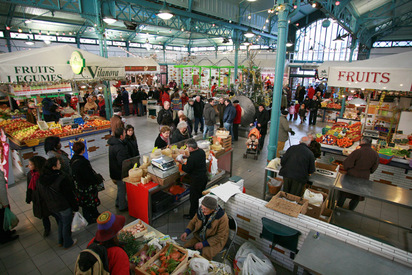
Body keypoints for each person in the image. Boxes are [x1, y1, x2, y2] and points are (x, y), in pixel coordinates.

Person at [37, 157, 78, 248]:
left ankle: (60, 241)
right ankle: (67, 242)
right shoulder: (61, 179)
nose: (60, 165)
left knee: (60, 222)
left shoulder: (41, 179)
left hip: (51, 206)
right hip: (62, 205)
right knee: (66, 224)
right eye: (58, 164)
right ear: (54, 167)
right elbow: (69, 195)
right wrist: (75, 206)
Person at [180, 196, 229, 260]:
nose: (202, 211)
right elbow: (193, 222)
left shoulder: (222, 218)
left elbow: (220, 236)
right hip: (201, 236)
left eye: (205, 209)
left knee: (203, 255)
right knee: (186, 248)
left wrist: (203, 244)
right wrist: (187, 232)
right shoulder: (201, 211)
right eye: (202, 208)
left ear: (212, 209)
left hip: (215, 241)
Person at [337, 137, 379, 210]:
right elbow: (374, 167)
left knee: (345, 192)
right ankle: (351, 208)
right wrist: (367, 172)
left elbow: (347, 163)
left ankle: (338, 206)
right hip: (364, 176)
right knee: (358, 194)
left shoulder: (358, 152)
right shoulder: (375, 154)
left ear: (362, 142)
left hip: (352, 175)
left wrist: (348, 169)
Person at [26, 156, 57, 237]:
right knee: (44, 215)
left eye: (30, 164)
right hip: (38, 198)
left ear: (36, 165)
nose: (29, 166)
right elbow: (29, 187)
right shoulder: (30, 174)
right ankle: (47, 229)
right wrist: (28, 197)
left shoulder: (44, 173)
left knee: (54, 212)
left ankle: (60, 224)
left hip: (47, 197)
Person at [176, 139, 207, 219]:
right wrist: (186, 157)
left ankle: (192, 215)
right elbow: (194, 159)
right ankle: (201, 211)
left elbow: (187, 169)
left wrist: (181, 162)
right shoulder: (201, 151)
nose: (187, 148)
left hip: (196, 180)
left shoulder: (192, 158)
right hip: (203, 177)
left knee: (193, 198)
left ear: (191, 148)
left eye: (187, 147)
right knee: (200, 196)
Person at [70, 141, 100, 224]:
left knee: (85, 202)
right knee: (89, 202)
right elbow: (88, 175)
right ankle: (90, 218)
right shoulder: (83, 162)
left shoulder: (72, 160)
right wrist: (94, 181)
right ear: (83, 150)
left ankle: (93, 215)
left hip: (79, 186)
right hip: (86, 185)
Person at [108, 127, 130, 212]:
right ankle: (122, 206)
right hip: (119, 172)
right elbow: (122, 162)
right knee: (122, 189)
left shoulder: (112, 143)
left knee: (119, 188)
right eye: (124, 133)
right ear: (121, 136)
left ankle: (118, 202)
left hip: (113, 170)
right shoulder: (119, 147)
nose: (125, 134)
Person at [0, 169, 19, 244]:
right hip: (1, 203)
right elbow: (1, 190)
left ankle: (7, 232)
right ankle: (5, 237)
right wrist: (5, 203)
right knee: (2, 218)